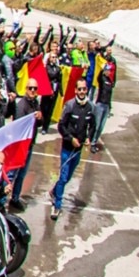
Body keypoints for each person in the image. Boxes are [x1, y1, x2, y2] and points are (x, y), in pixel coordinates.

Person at [50, 80, 96, 220]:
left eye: (84, 89)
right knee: (63, 177)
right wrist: (71, 139)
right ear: (75, 90)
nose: (82, 92)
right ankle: (57, 206)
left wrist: (89, 138)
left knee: (68, 177)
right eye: (79, 89)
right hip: (67, 148)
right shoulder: (69, 106)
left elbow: (92, 126)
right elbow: (61, 126)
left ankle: (54, 191)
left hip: (78, 150)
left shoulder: (90, 108)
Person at [7, 78, 43, 209]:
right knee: (12, 174)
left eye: (35, 88)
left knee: (22, 174)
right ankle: (1, 200)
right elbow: (18, 125)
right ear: (26, 89)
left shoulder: (35, 103)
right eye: (30, 88)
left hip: (30, 144)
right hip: (20, 146)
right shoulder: (21, 105)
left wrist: (40, 118)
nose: (33, 91)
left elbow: (40, 123)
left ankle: (15, 198)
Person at [91, 53, 116, 152]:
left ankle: (95, 140)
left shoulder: (110, 82)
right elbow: (99, 76)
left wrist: (110, 107)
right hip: (100, 104)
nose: (108, 72)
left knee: (101, 127)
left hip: (106, 106)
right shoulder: (102, 79)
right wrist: (103, 66)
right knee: (96, 125)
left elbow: (110, 95)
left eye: (109, 71)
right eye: (107, 70)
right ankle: (92, 141)